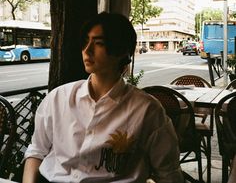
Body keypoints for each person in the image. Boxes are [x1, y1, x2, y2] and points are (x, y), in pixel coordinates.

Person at [22, 12, 184, 183]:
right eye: (86, 42)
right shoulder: (58, 98)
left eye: (98, 43)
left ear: (122, 50)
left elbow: (168, 173)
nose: (87, 50)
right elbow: (36, 151)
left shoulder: (147, 110)